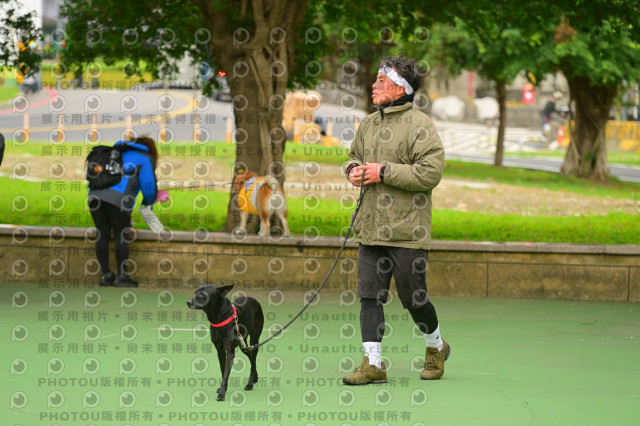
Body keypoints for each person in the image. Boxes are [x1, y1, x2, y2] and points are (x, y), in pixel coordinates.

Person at [342, 56, 448, 385]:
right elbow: (353, 157)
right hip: (370, 228)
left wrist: (383, 172)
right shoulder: (368, 124)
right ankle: (373, 364)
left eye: (381, 82)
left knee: (414, 299)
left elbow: (430, 173)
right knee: (369, 297)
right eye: (375, 80)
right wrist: (352, 171)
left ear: (401, 88)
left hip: (407, 233)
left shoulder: (420, 125)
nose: (373, 86)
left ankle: (436, 346)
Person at [88, 137, 159, 288]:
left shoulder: (114, 152)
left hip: (94, 197)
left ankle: (106, 275)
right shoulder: (145, 158)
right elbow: (149, 188)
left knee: (102, 233)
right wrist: (148, 203)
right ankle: (122, 276)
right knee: (121, 234)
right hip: (118, 199)